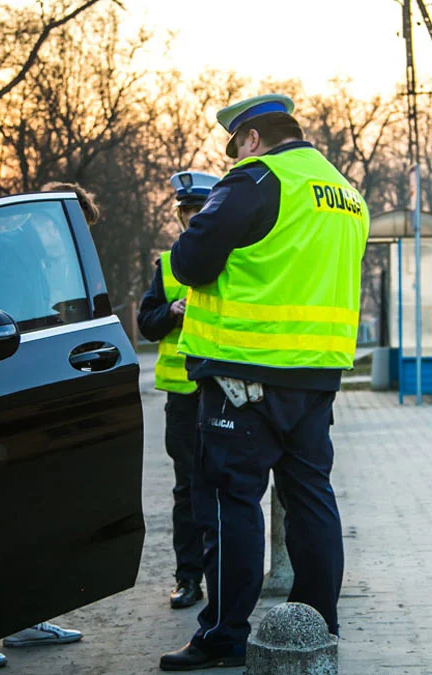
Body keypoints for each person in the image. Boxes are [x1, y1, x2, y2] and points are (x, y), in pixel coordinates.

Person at [159, 94, 369, 671]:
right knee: (311, 499)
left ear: (251, 138)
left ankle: (223, 638)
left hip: (242, 375)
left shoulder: (253, 180)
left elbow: (189, 263)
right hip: (316, 376)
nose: (231, 158)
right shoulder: (345, 194)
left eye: (234, 146)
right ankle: (315, 626)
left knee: (232, 504)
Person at [0, 181, 100, 670]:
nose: (71, 246)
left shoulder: (27, 257)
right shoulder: (3, 255)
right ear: (50, 219)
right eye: (71, 232)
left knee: (27, 510)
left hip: (23, 398)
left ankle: (24, 618)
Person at [136, 170, 220, 610]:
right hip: (182, 400)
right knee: (187, 491)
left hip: (223, 391)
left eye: (200, 210)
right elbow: (146, 325)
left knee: (223, 489)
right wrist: (170, 310)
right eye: (187, 211)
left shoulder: (233, 256)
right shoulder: (167, 265)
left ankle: (223, 578)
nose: (192, 217)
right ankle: (188, 579)